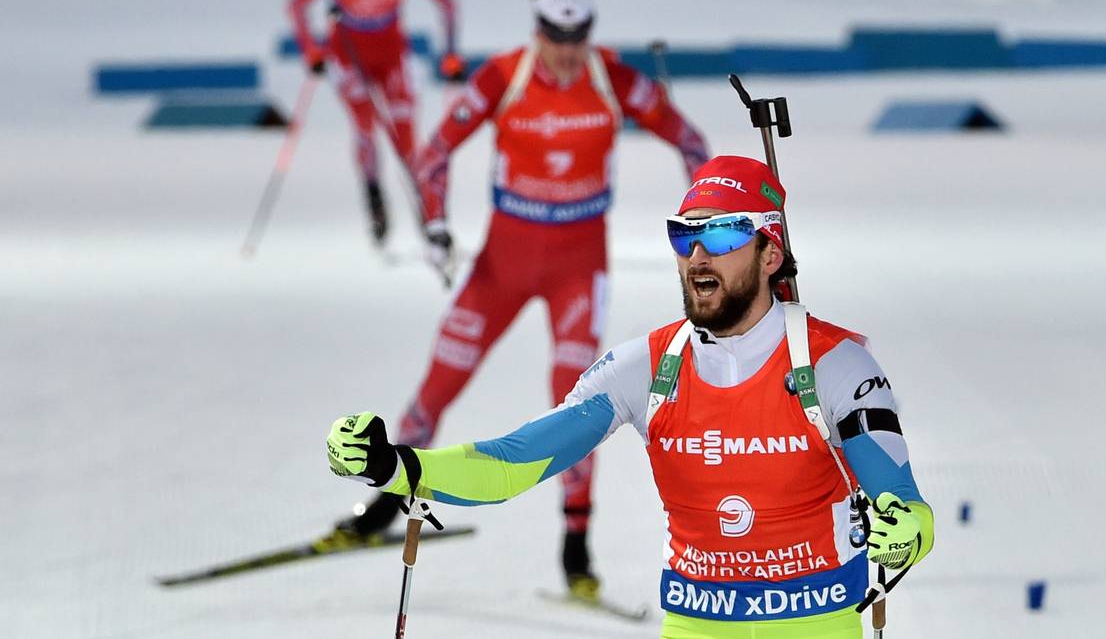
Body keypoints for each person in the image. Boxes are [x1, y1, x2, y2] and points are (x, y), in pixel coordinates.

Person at [326, 155, 935, 638]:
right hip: (696, 624)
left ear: (769, 251)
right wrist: (398, 465)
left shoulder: (833, 363)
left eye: (722, 237)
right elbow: (514, 462)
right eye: (684, 236)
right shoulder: (646, 367)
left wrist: (903, 527)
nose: (697, 257)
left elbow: (904, 504)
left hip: (816, 624)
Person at [320, 0, 709, 600]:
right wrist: (438, 225)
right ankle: (384, 505)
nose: (565, 52)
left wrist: (698, 226)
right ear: (537, 29)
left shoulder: (614, 77)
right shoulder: (506, 74)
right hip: (503, 261)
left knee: (579, 405)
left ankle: (575, 548)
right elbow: (434, 151)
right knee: (440, 381)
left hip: (578, 266)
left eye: (577, 35)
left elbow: (692, 142)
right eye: (555, 36)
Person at [287, 0, 462, 247]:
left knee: (405, 136)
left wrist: (452, 52)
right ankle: (374, 197)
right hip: (349, 57)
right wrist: (310, 50)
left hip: (391, 56)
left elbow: (447, 0)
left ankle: (429, 212)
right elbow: (296, 1)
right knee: (365, 125)